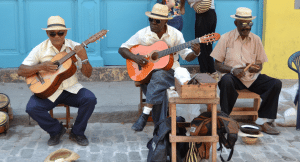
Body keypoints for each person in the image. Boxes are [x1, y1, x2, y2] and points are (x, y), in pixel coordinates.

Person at [118, 3, 200, 131]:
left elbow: (186, 55)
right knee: (159, 87)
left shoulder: (176, 34)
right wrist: (136, 58)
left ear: (165, 22)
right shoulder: (142, 34)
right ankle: (160, 131)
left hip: (170, 73)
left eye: (157, 21)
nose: (153, 23)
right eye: (151, 19)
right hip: (147, 76)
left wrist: (195, 53)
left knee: (160, 75)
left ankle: (146, 115)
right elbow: (122, 48)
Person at [17, 16, 97, 146]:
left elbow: (88, 74)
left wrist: (84, 58)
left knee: (90, 99)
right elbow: (20, 70)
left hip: (71, 89)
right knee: (31, 108)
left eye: (60, 32)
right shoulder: (40, 49)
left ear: (65, 32)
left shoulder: (75, 47)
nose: (56, 36)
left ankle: (77, 132)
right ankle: (56, 130)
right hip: (49, 91)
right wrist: (41, 66)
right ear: (47, 33)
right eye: (52, 33)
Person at [210, 7, 282, 135]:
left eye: (249, 24)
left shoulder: (256, 39)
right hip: (233, 78)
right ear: (236, 23)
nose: (247, 27)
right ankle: (226, 119)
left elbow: (260, 64)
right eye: (243, 24)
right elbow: (217, 65)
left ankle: (262, 121)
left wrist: (257, 68)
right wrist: (233, 70)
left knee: (275, 83)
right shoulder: (226, 38)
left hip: (252, 78)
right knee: (226, 80)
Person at [189, 0, 217, 73]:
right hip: (211, 14)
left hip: (204, 15)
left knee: (200, 45)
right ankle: (212, 71)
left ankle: (204, 72)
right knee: (208, 45)